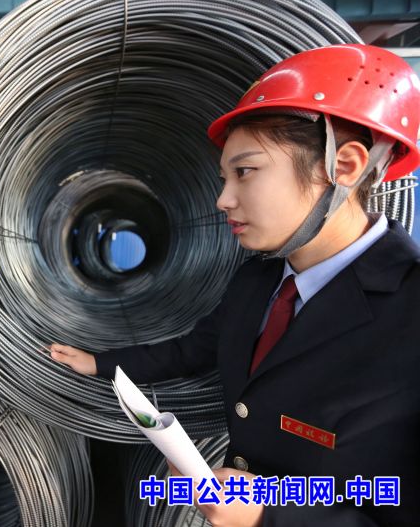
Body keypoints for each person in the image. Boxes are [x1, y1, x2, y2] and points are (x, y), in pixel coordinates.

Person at [51, 43, 420, 526]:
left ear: (343, 166)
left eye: (245, 171)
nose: (223, 199)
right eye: (224, 177)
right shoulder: (258, 281)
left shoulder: (410, 311)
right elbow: (194, 349)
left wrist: (267, 515)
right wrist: (100, 362)